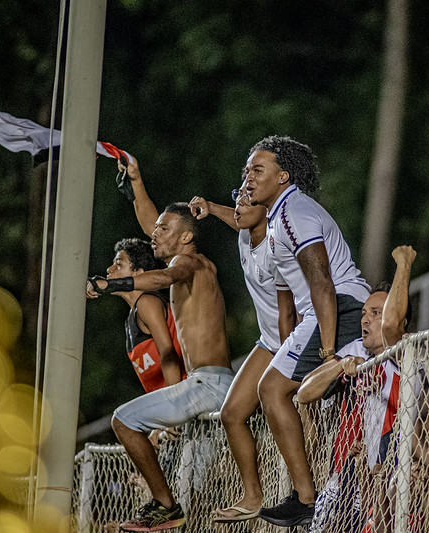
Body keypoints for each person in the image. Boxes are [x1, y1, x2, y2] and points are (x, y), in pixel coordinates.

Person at [87, 158, 234, 532]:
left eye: (164, 229)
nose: (154, 234)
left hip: (209, 385)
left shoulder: (192, 262)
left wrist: (112, 285)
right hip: (202, 386)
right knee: (191, 492)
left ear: (185, 236)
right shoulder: (179, 251)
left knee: (123, 420)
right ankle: (168, 507)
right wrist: (136, 182)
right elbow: (152, 222)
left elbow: (167, 274)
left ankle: (165, 506)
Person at [243, 135, 371, 527]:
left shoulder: (292, 213)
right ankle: (311, 494)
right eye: (247, 170)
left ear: (283, 177)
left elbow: (322, 283)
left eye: (258, 170)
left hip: (341, 306)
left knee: (271, 388)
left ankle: (305, 496)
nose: (248, 177)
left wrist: (328, 351)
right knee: (284, 390)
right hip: (323, 312)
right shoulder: (280, 214)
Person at [187, 189, 296, 522]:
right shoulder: (246, 235)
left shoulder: (279, 248)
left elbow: (289, 314)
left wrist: (292, 358)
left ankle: (305, 491)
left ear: (267, 212)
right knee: (231, 414)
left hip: (293, 340)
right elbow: (238, 220)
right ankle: (252, 497)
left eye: (248, 202)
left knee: (295, 410)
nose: (238, 207)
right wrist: (210, 207)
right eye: (238, 199)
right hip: (268, 340)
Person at [296, 245, 415, 533]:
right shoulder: (355, 350)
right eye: (364, 312)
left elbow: (393, 324)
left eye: (376, 313)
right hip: (344, 475)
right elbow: (305, 392)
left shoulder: (405, 352)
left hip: (382, 476)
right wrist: (342, 364)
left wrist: (403, 265)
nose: (365, 319)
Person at [93, 237, 187, 393]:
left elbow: (168, 355)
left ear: (138, 273)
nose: (109, 269)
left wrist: (174, 404)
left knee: (121, 418)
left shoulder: (147, 302)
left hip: (182, 393)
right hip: (168, 399)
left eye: (118, 264)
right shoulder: (133, 315)